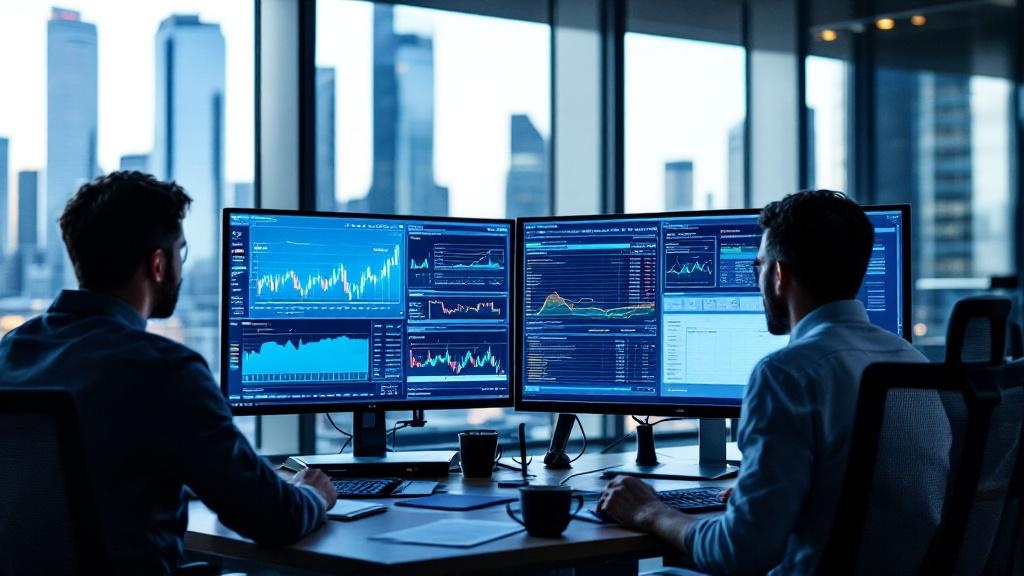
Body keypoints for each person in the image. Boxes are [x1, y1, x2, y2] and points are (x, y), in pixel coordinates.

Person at [0, 172, 337, 574]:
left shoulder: (10, 351)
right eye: (181, 250)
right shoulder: (165, 370)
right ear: (158, 264)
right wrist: (313, 495)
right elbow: (272, 518)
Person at [597, 190, 936, 574]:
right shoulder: (915, 363)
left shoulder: (786, 374)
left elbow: (738, 554)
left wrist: (649, 511)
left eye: (757, 267)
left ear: (779, 275)